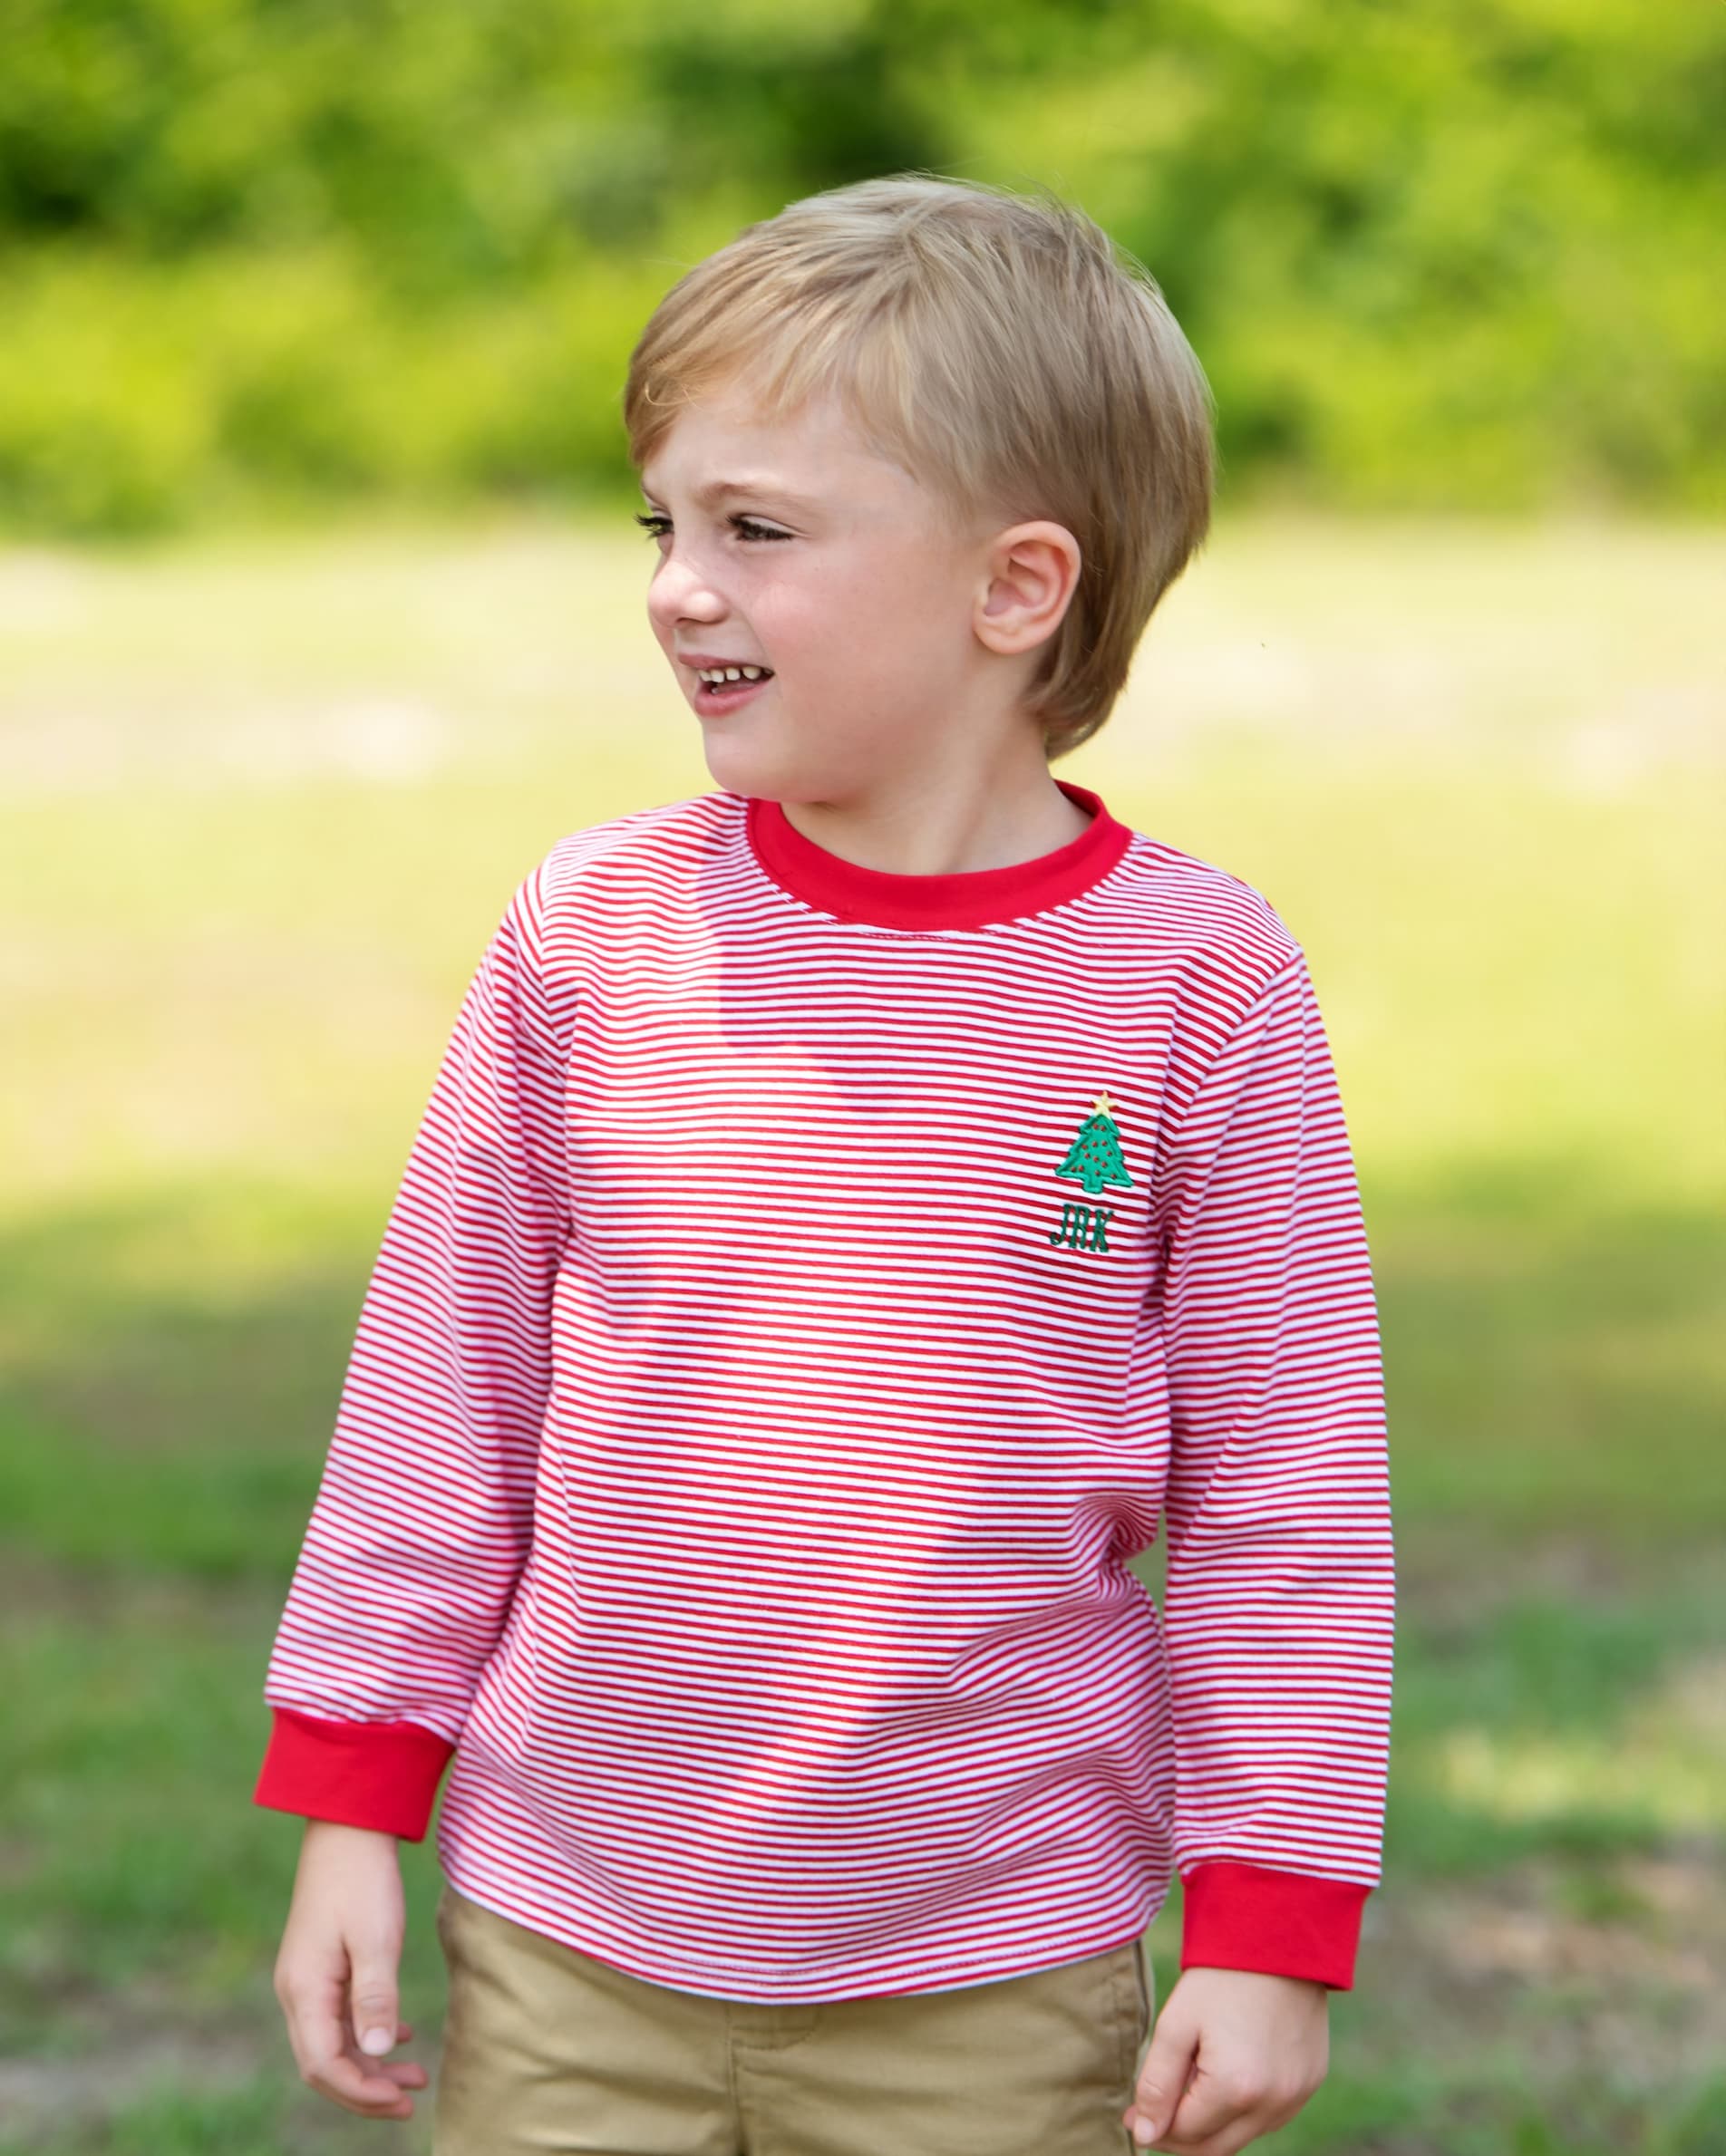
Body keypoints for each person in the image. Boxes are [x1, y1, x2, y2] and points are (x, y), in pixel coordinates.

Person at [256, 173, 1394, 2156]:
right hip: (570, 1934)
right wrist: (356, 1788)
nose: (676, 584)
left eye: (755, 530)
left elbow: (1282, 1494)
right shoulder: (591, 932)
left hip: (991, 1959)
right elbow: (440, 1399)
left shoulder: (1201, 985)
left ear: (1014, 587)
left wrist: (1272, 1911)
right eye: (665, 523)